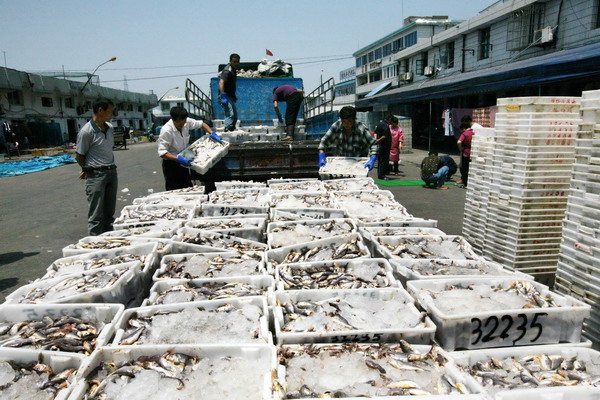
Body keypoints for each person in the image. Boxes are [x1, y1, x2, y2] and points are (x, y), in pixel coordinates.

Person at [75, 98, 119, 235]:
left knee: (109, 213)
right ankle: (95, 242)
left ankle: (108, 239)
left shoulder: (109, 128)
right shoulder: (86, 132)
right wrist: (86, 168)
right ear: (100, 110)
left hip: (111, 171)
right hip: (96, 175)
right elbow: (79, 155)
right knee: (96, 214)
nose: (112, 114)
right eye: (110, 111)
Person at [157, 106, 223, 191]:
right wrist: (178, 159)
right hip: (172, 164)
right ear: (173, 119)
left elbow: (201, 124)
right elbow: (162, 153)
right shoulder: (166, 130)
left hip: (183, 160)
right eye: (180, 123)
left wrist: (212, 133)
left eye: (184, 122)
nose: (183, 125)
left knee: (187, 188)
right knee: (174, 190)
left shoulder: (186, 121)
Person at [318, 106, 378, 172]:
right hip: (342, 163)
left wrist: (372, 158)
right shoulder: (336, 126)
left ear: (354, 120)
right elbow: (324, 142)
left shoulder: (361, 129)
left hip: (359, 164)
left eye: (349, 121)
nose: (346, 124)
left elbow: (373, 144)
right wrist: (322, 156)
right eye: (344, 121)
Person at [219, 53, 240, 132]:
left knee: (234, 115)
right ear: (230, 61)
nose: (236, 63)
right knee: (230, 113)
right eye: (234, 62)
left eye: (237, 62)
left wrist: (233, 94)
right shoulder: (227, 71)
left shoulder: (233, 70)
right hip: (225, 95)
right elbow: (221, 83)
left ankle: (231, 129)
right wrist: (223, 96)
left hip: (229, 96)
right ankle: (227, 130)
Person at [374, 114, 393, 180]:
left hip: (380, 145)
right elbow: (384, 136)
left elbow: (375, 133)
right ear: (389, 119)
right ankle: (382, 175)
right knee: (384, 160)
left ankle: (380, 174)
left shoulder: (379, 124)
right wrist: (378, 141)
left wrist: (375, 140)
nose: (391, 122)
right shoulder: (386, 126)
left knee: (380, 160)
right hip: (384, 145)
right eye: (391, 120)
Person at [457, 121, 474, 188]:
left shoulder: (464, 134)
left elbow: (459, 142)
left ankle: (466, 184)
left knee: (465, 169)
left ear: (463, 128)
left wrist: (460, 148)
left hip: (466, 153)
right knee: (471, 168)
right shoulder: (473, 132)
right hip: (473, 152)